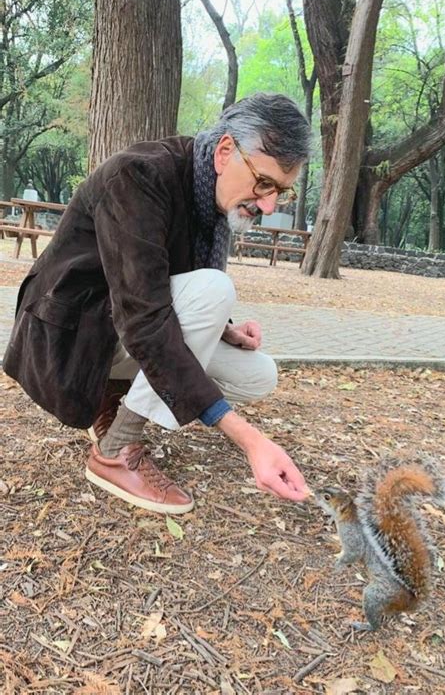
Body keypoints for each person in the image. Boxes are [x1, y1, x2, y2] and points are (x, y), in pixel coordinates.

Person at [4, 93, 312, 515]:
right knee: (214, 290)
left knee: (259, 375)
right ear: (225, 151)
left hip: (117, 325)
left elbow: (162, 285)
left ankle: (111, 393)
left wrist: (224, 328)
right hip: (67, 336)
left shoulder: (210, 199)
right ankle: (115, 449)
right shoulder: (141, 176)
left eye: (282, 192)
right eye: (264, 183)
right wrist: (248, 438)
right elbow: (145, 316)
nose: (269, 204)